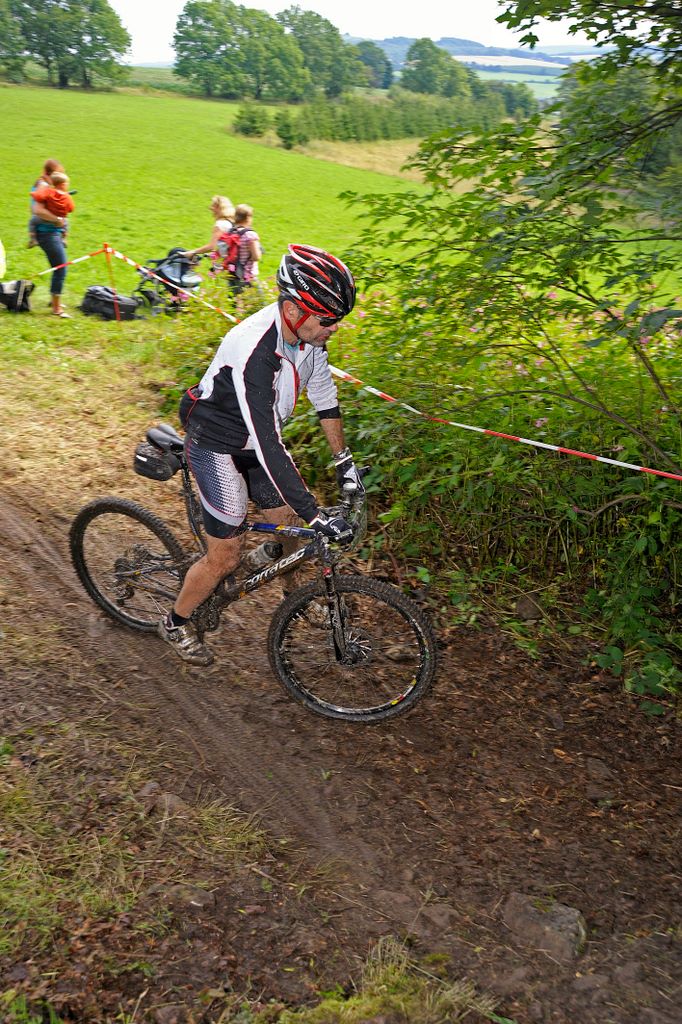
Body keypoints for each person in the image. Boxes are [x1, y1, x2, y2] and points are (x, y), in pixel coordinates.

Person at [157, 244, 364, 666]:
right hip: (217, 443)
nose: (334, 328)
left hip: (254, 443)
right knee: (226, 556)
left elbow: (324, 396)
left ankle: (295, 595)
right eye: (328, 320)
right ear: (293, 310)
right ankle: (175, 622)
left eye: (337, 320)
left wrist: (344, 462)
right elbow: (269, 446)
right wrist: (316, 514)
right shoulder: (254, 349)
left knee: (289, 527)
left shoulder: (308, 337)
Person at [31, 169, 73, 318]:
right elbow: (37, 211)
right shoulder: (48, 191)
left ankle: (54, 302)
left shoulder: (48, 192)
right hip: (48, 235)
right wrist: (58, 219)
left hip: (52, 234)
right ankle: (56, 309)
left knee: (58, 268)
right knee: (61, 269)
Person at [225, 203, 262, 295]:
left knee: (234, 301)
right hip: (248, 276)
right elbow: (256, 257)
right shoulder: (250, 235)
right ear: (248, 217)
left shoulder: (230, 233)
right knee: (259, 302)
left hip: (232, 275)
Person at [27, 158, 64, 248]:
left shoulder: (41, 182)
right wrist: (57, 219)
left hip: (45, 227)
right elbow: (38, 209)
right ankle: (33, 239)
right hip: (46, 231)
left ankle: (33, 239)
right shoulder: (44, 185)